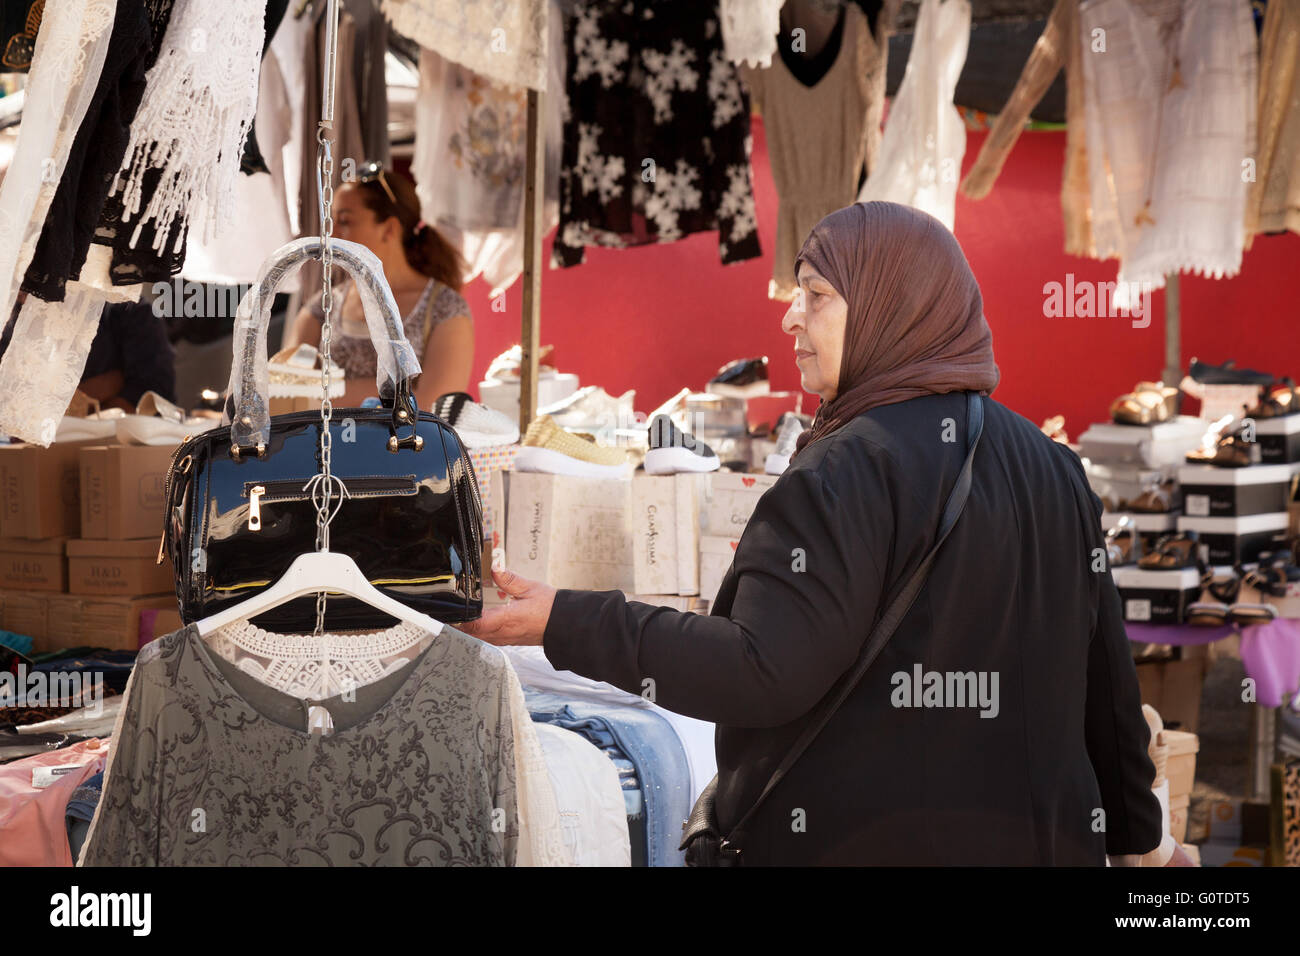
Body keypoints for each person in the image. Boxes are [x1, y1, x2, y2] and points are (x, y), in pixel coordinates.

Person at [463, 201, 1192, 867]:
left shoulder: (847, 466)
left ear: (886, 305)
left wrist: (567, 619)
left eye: (816, 296)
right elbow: (1107, 686)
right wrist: (1142, 844)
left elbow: (762, 669)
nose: (790, 319)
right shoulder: (1055, 467)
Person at [286, 161, 473, 409]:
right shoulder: (323, 306)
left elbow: (434, 405)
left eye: (345, 221)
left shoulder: (445, 308)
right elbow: (284, 390)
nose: (331, 236)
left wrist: (320, 389)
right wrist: (400, 392)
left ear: (389, 229)